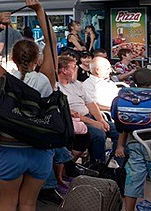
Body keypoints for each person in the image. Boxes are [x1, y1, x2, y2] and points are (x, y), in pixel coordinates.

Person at [0, 0, 58, 211]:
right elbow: (52, 41)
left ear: (12, 58)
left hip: (10, 148)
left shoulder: (5, 79)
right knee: (28, 203)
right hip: (40, 150)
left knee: (7, 202)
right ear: (37, 58)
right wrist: (39, 9)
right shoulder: (47, 78)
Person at [57, 54, 118, 164]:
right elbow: (71, 113)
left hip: (89, 116)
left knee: (118, 130)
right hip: (74, 121)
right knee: (99, 135)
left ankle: (119, 164)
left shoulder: (76, 84)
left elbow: (90, 103)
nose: (77, 69)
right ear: (64, 70)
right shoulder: (56, 87)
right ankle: (98, 165)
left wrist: (101, 120)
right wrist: (94, 123)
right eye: (74, 67)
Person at [115, 68, 151, 211]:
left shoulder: (126, 97)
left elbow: (122, 125)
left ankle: (129, 209)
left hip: (134, 142)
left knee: (133, 179)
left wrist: (119, 146)